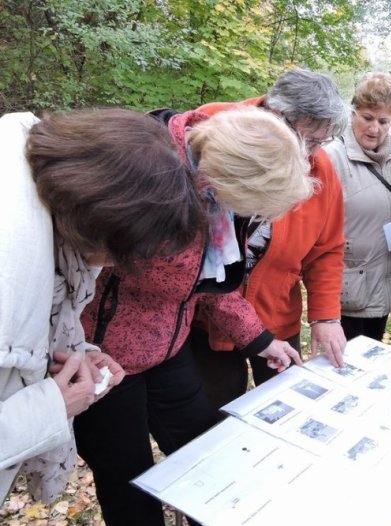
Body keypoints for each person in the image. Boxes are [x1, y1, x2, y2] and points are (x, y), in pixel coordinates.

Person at [75, 106, 310, 526]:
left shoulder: (211, 199)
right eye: (254, 206)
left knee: (205, 451)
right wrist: (71, 350)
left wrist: (263, 341)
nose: (253, 217)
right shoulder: (149, 187)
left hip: (168, 348)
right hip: (103, 359)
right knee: (127, 477)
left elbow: (208, 286)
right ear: (233, 179)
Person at [0, 108, 206, 504]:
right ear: (98, 224)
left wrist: (80, 353)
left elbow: (39, 331)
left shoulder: (48, 229)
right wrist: (51, 405)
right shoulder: (11, 282)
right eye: (125, 253)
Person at [191, 68, 347, 410]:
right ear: (278, 116)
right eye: (309, 140)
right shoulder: (214, 126)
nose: (313, 154)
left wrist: (326, 316)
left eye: (323, 142)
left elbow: (327, 250)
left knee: (284, 409)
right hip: (208, 320)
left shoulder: (321, 168)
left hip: (276, 314)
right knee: (215, 415)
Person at [324, 72, 391, 341]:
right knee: (343, 364)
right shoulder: (330, 158)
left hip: (387, 280)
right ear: (353, 112)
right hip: (345, 286)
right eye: (367, 118)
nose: (375, 128)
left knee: (372, 355)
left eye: (384, 121)